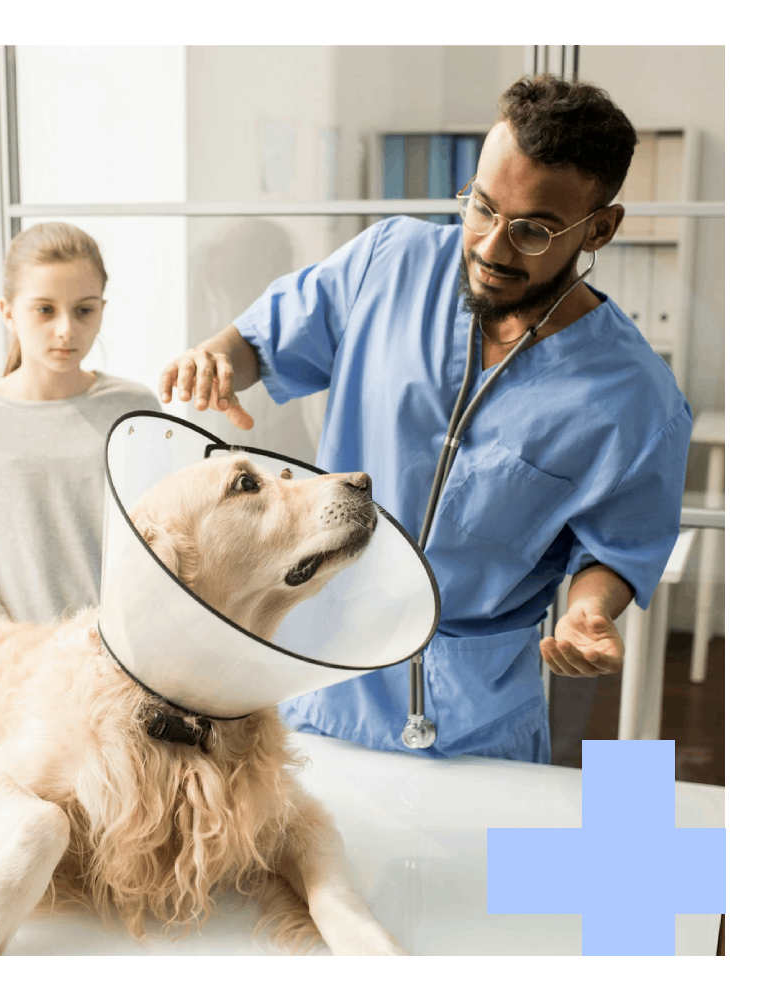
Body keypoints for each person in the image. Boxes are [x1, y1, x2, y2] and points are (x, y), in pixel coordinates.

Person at [158, 74, 692, 763]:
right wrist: (217, 358)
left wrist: (591, 609)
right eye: (481, 206)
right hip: (312, 675)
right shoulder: (389, 261)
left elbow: (613, 550)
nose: (492, 247)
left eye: (531, 230)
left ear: (601, 228)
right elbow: (261, 340)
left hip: (475, 716)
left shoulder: (637, 398)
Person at [0, 222, 161, 624]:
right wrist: (17, 660)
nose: (66, 330)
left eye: (84, 310)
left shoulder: (136, 410)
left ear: (102, 311)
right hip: (14, 669)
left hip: (121, 662)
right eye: (44, 310)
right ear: (7, 312)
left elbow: (164, 547)